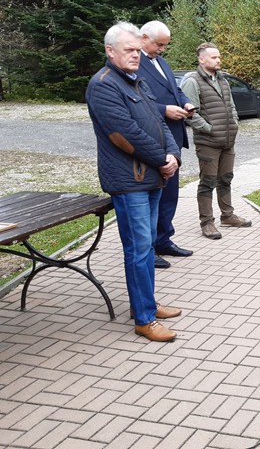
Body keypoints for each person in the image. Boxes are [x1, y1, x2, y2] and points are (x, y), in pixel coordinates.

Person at [86, 22, 183, 342]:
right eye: (128, 50)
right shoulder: (103, 85)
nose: (136, 55)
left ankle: (146, 304)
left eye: (137, 50)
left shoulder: (136, 80)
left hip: (151, 176)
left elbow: (160, 122)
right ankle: (144, 319)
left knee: (147, 246)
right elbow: (125, 135)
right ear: (109, 51)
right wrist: (162, 160)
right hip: (129, 181)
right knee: (139, 249)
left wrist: (173, 155)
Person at [137, 20, 195, 268]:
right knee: (154, 196)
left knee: (170, 194)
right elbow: (136, 100)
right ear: (143, 37)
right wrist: (164, 110)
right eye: (159, 44)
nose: (162, 49)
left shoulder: (160, 62)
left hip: (173, 138)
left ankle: (163, 240)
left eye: (164, 45)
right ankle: (149, 247)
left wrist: (186, 102)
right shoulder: (134, 63)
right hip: (153, 138)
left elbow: (175, 90)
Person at [181, 42, 252, 239]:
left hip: (227, 141)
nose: (218, 60)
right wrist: (208, 129)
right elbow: (189, 114)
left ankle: (227, 216)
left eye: (219, 56)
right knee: (207, 182)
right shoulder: (192, 81)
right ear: (201, 59)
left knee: (226, 179)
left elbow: (231, 106)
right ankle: (207, 222)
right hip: (208, 143)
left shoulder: (223, 80)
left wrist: (234, 122)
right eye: (214, 57)